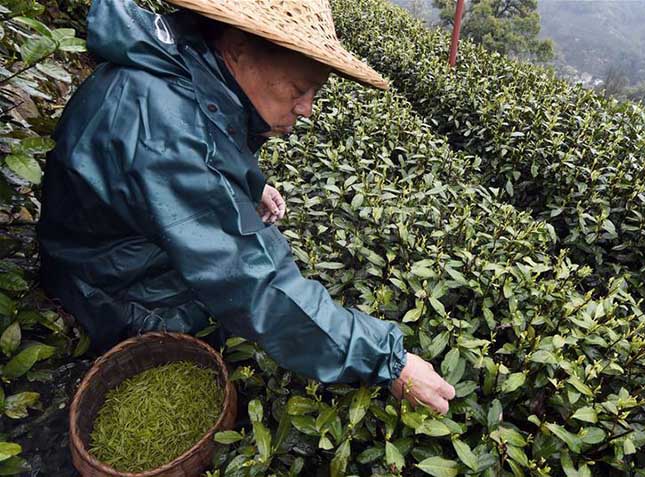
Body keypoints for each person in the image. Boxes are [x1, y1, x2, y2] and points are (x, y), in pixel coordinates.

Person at [35, 0, 455, 413]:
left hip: (114, 242)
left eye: (314, 92)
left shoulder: (179, 62)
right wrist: (390, 362)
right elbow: (255, 287)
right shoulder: (165, 129)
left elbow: (208, 144)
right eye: (299, 89)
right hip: (108, 280)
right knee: (216, 323)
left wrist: (250, 186)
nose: (306, 108)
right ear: (238, 45)